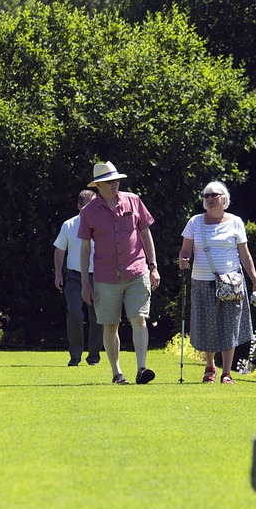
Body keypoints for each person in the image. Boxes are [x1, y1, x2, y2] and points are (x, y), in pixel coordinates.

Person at [78, 161, 159, 385]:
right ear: (99, 186)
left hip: (136, 271)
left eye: (117, 180)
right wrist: (85, 282)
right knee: (110, 325)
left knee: (139, 319)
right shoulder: (88, 212)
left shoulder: (133, 200)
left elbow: (146, 233)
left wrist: (153, 266)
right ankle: (117, 373)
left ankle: (141, 368)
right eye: (110, 181)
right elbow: (84, 249)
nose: (115, 184)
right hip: (105, 277)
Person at [177, 181, 256, 383]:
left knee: (229, 326)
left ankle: (227, 372)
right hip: (202, 281)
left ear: (224, 199)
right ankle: (210, 367)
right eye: (205, 196)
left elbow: (245, 255)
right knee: (207, 325)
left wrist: (255, 281)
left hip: (230, 282)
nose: (208, 199)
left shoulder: (235, 222)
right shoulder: (194, 222)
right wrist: (183, 259)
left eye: (213, 195)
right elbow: (185, 249)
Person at [53, 189, 104, 367]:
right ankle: (75, 355)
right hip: (74, 276)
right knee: (74, 312)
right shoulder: (69, 225)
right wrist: (58, 273)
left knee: (98, 316)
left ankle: (94, 356)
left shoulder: (102, 224)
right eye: (88, 206)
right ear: (79, 207)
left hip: (98, 276)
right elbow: (60, 250)